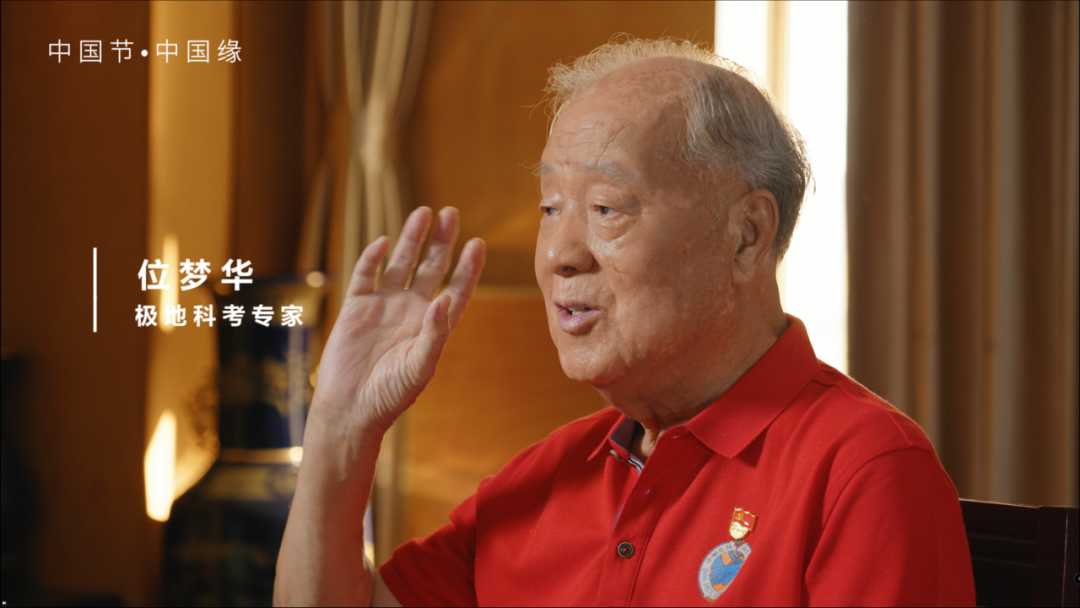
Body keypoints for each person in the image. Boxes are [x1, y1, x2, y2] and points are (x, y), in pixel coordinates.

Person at [274, 39, 975, 606]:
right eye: (551, 208)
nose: (561, 254)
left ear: (746, 235)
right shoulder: (547, 476)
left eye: (606, 208)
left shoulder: (861, 471)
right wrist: (341, 427)